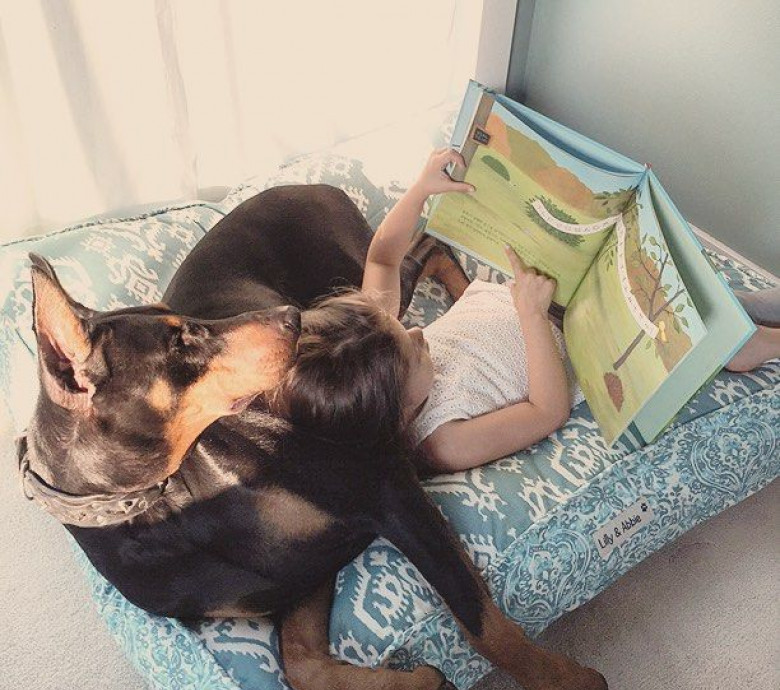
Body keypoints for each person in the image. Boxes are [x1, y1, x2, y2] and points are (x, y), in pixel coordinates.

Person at [278, 149, 780, 473]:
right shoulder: (444, 442)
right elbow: (546, 411)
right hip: (581, 338)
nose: (417, 333)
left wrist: (420, 189)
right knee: (719, 341)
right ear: (400, 410)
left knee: (619, 236)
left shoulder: (373, 348)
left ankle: (738, 304)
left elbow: (383, 259)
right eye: (414, 354)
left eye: (400, 327)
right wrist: (531, 317)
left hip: (541, 292)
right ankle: (754, 337)